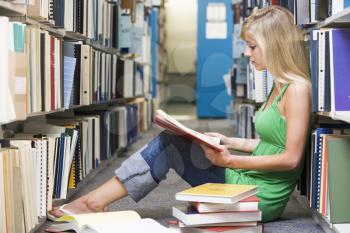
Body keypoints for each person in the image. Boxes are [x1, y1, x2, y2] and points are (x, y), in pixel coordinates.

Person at [49, 5, 311, 222]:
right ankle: (94, 201)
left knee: (169, 144)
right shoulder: (278, 85)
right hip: (248, 179)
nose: (246, 53)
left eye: (253, 46)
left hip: (259, 195)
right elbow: (271, 144)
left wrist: (229, 161)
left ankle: (93, 202)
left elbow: (290, 158)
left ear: (273, 45)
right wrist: (229, 141)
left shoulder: (297, 90)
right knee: (173, 140)